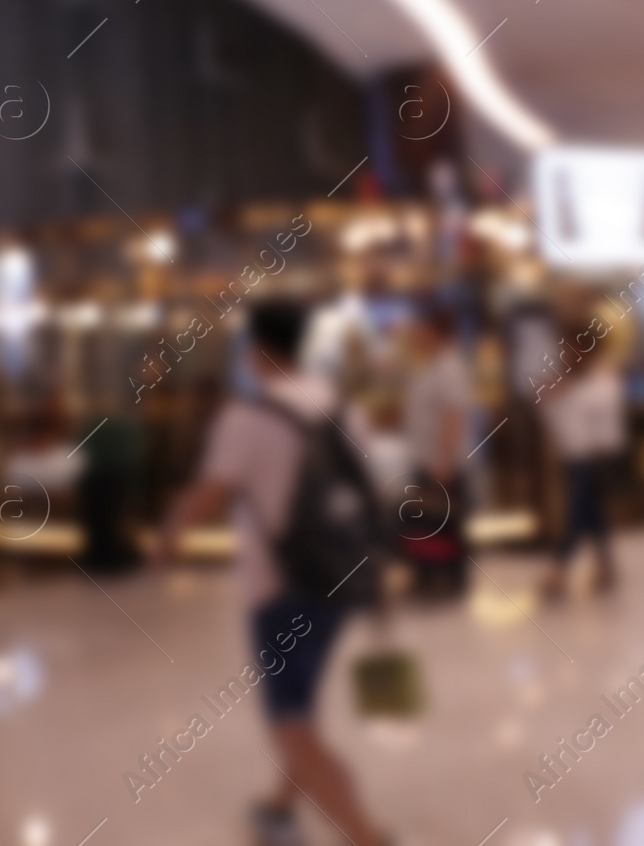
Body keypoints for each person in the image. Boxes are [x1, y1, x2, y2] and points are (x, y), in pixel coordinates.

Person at [157, 299, 393, 846]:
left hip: (281, 589)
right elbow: (364, 487)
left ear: (258, 350)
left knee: (290, 724)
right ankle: (279, 806)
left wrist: (170, 536)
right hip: (342, 575)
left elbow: (212, 494)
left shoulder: (246, 418)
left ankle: (367, 835)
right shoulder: (343, 408)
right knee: (302, 706)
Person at [537, 322, 625, 599]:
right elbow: (548, 410)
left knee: (577, 512)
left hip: (596, 455)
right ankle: (606, 565)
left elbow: (599, 409)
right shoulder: (564, 379)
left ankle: (558, 570)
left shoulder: (602, 376)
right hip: (572, 454)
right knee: (591, 512)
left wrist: (568, 389)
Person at [400, 300, 473, 597]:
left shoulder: (450, 367)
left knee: (447, 521)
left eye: (422, 330)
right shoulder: (430, 366)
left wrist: (446, 460)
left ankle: (451, 578)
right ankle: (427, 575)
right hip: (426, 459)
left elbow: (453, 416)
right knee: (426, 521)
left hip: (442, 462)